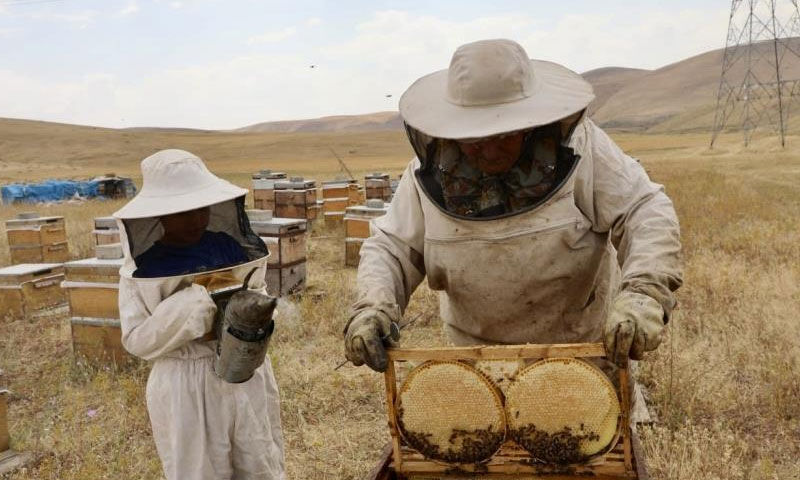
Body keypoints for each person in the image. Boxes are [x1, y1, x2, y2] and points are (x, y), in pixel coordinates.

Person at [344, 39, 682, 386]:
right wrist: (373, 306)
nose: (489, 151)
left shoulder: (584, 150)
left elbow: (645, 209)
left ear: (530, 123)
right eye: (474, 138)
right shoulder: (427, 175)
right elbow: (392, 247)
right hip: (479, 368)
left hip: (585, 358)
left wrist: (644, 291)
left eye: (503, 134)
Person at [114, 149, 286, 480]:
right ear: (160, 215)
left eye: (201, 209)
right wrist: (192, 305)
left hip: (246, 371)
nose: (195, 220)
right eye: (183, 212)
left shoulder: (229, 247)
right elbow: (137, 340)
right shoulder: (143, 269)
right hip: (185, 386)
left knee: (261, 464)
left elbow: (256, 288)